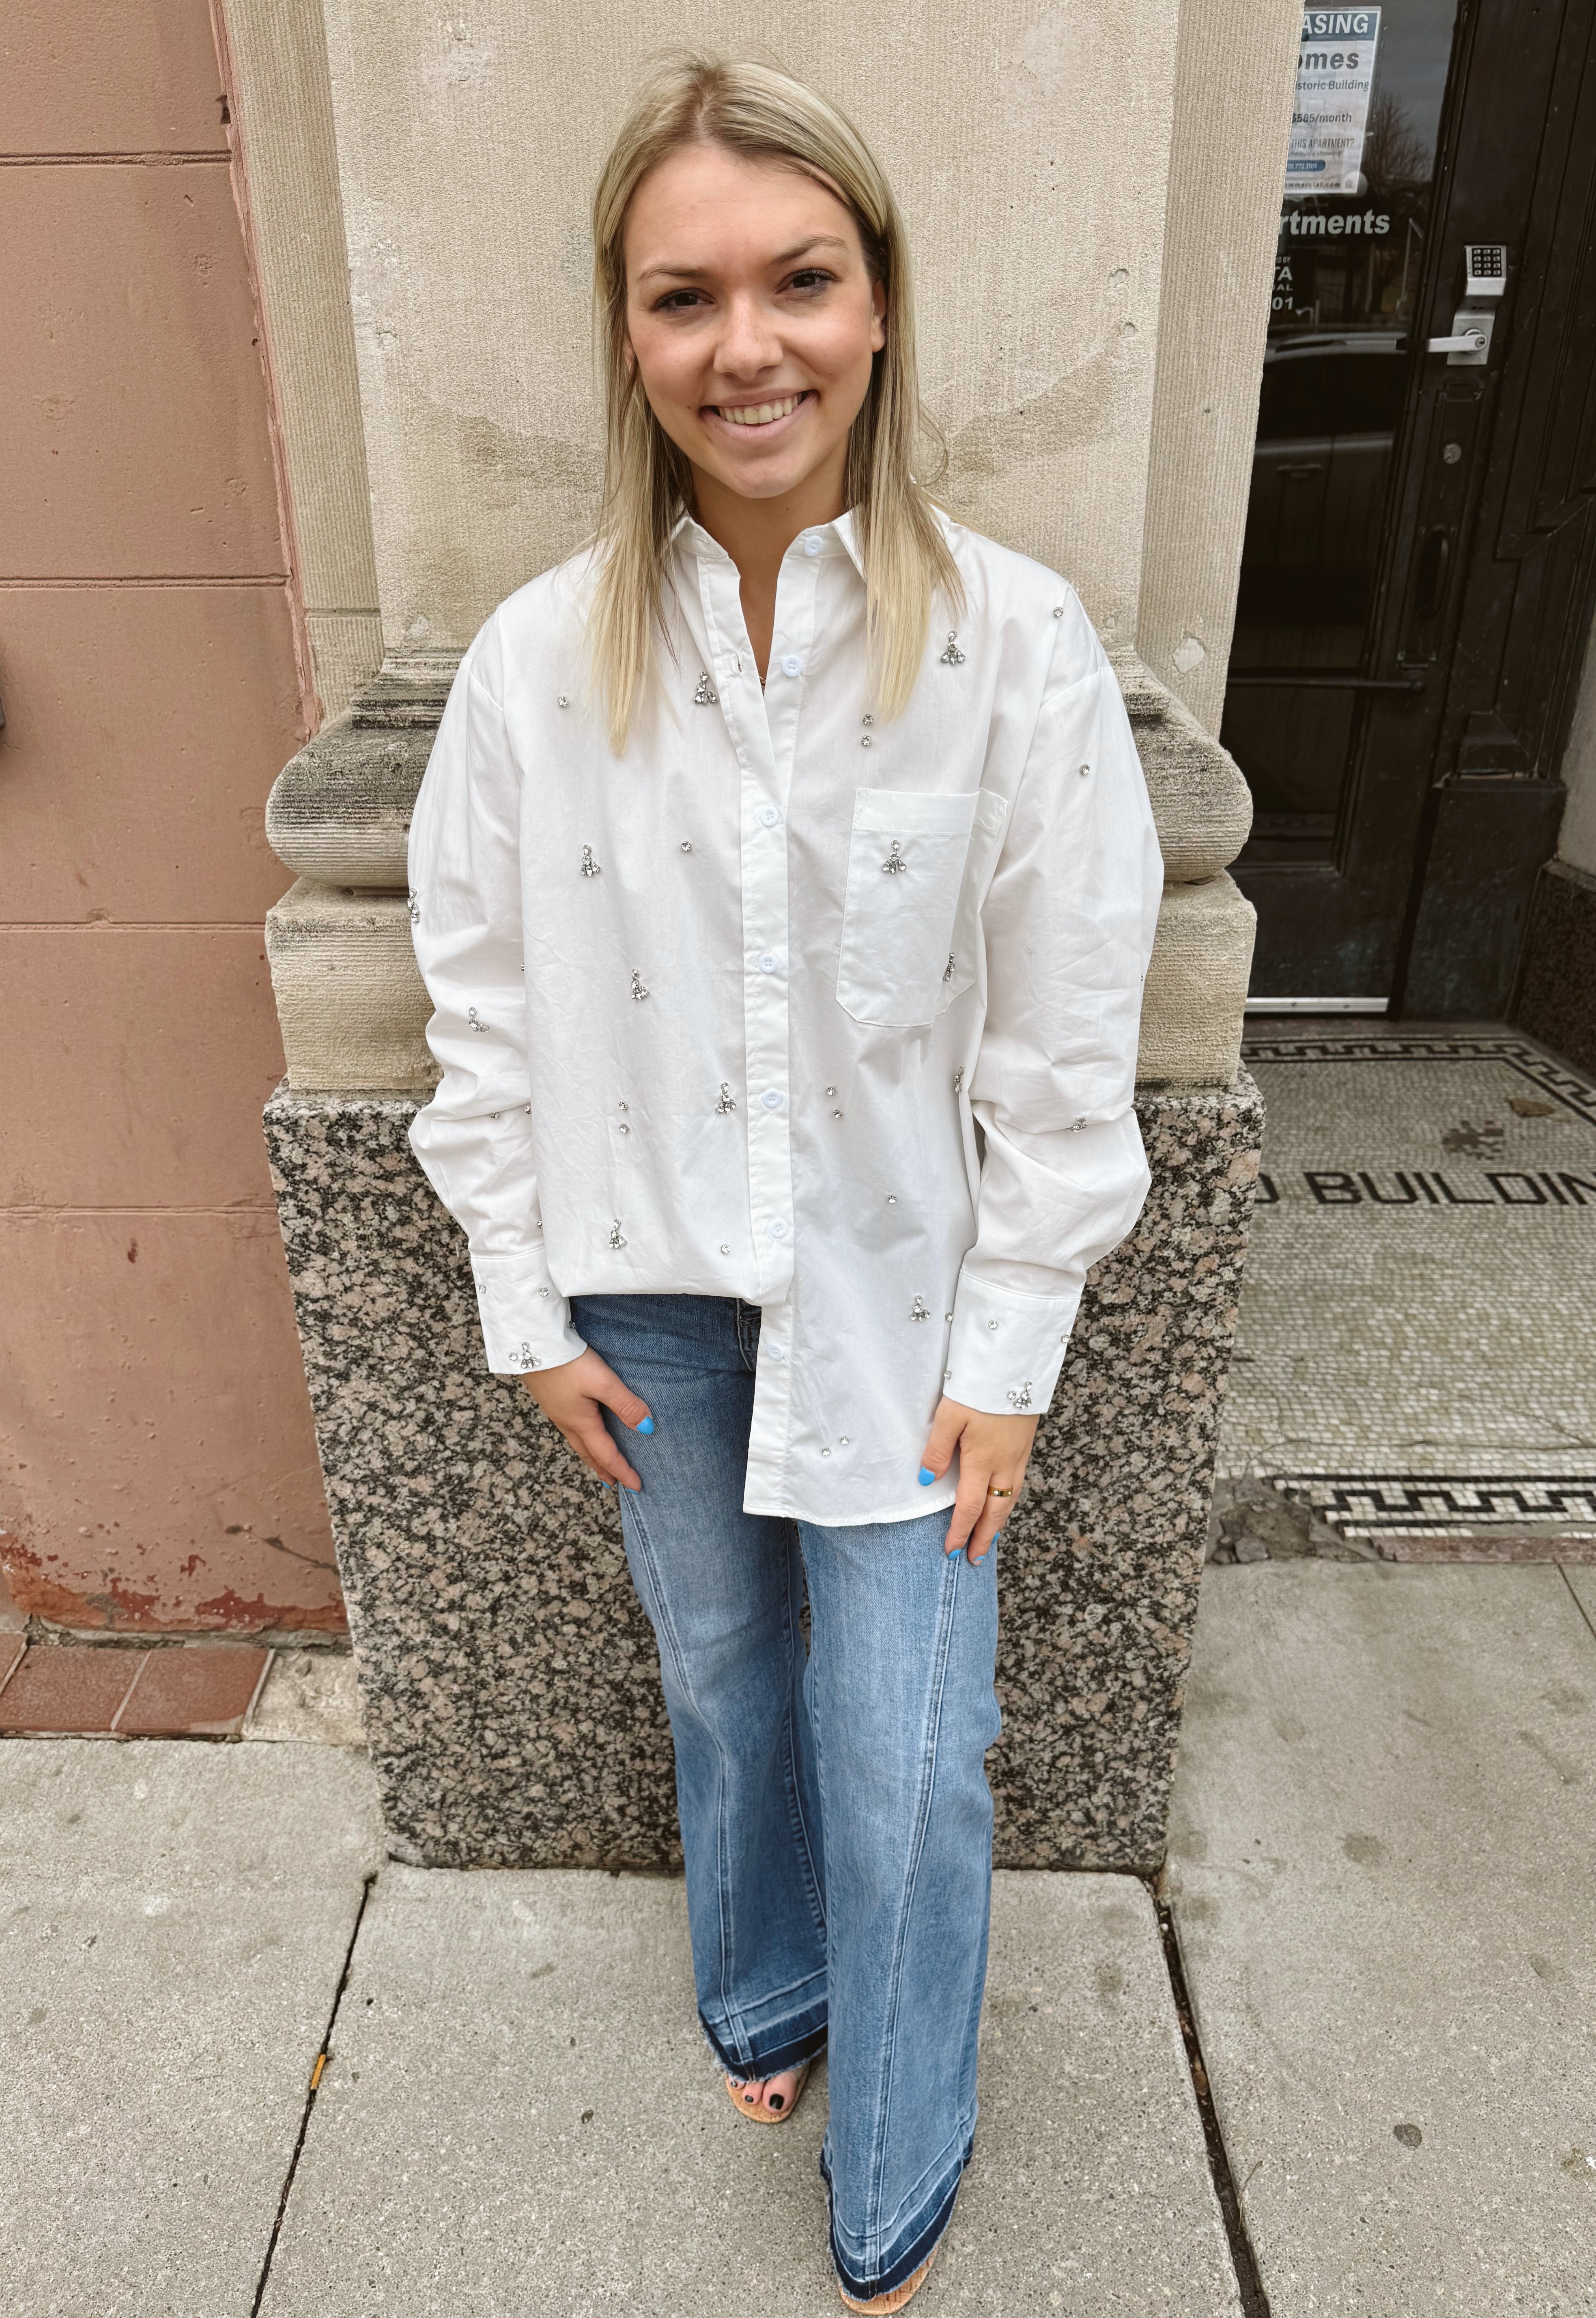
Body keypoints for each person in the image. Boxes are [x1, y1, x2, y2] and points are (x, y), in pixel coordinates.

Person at [405, 52, 1161, 2313]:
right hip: (646, 1307)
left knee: (915, 1748)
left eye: (799, 281)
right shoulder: (544, 665)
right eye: (687, 296)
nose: (750, 346)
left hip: (911, 1311)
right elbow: (482, 996)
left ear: (881, 304)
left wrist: (1016, 1342)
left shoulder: (1012, 648)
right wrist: (520, 1303)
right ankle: (763, 1987)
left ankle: (900, 2156)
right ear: (629, 342)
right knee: (726, 1679)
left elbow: (1062, 1027)